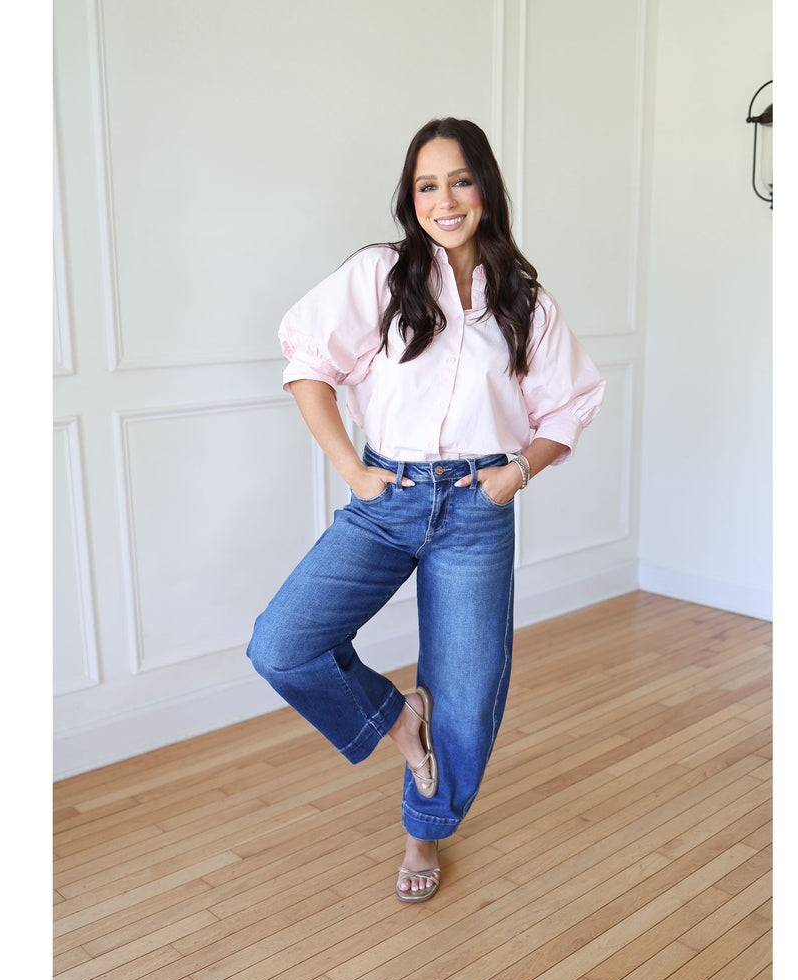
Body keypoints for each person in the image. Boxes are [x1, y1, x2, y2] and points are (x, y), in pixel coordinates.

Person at [248, 118, 605, 903]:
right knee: (282, 644)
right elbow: (308, 365)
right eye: (427, 185)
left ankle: (424, 832)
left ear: (486, 188)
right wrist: (353, 469)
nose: (446, 199)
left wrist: (517, 473)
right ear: (411, 199)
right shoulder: (381, 275)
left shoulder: (522, 299)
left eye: (460, 180)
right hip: (390, 498)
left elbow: (571, 403)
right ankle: (396, 718)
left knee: (468, 699)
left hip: (478, 506)